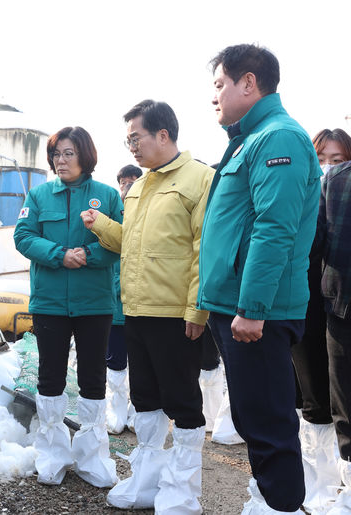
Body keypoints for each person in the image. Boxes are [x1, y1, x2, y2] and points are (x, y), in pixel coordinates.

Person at [197, 44, 321, 513]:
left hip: (257, 313)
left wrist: (251, 308)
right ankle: (268, 500)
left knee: (268, 422)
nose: (215, 97)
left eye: (220, 85)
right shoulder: (250, 138)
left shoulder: (278, 138)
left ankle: (281, 506)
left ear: (249, 83)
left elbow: (275, 229)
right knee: (255, 416)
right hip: (236, 307)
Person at [81, 100, 214, 514]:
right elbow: (132, 245)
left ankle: (182, 492)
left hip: (174, 313)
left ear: (163, 134)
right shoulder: (139, 186)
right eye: (128, 140)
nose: (131, 147)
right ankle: (148, 483)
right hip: (136, 310)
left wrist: (197, 309)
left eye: (136, 137)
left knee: (183, 402)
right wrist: (102, 226)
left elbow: (203, 249)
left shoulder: (200, 179)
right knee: (146, 399)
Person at [14, 126, 123, 488]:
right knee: (50, 376)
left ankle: (92, 457)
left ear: (86, 156)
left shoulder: (107, 196)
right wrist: (60, 255)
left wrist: (87, 255)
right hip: (50, 303)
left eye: (69, 153)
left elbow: (123, 240)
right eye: (57, 153)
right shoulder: (40, 194)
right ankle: (53, 454)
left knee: (94, 376)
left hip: (94, 302)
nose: (61, 160)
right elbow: (23, 236)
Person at [292, 128, 351, 511]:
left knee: (342, 393)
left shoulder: (340, 196)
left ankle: (340, 486)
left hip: (335, 300)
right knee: (312, 394)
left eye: (338, 160)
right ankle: (318, 485)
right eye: (322, 160)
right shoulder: (299, 192)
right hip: (303, 302)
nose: (328, 169)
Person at [317, 158, 351, 513]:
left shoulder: (336, 178)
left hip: (341, 303)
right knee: (344, 402)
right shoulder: (337, 179)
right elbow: (317, 241)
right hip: (342, 305)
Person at [105, 164, 141, 435]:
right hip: (116, 308)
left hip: (143, 306)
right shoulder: (112, 215)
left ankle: (137, 414)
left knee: (141, 364)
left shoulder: (148, 212)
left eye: (132, 181)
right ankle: (115, 414)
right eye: (123, 182)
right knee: (115, 362)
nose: (127, 186)